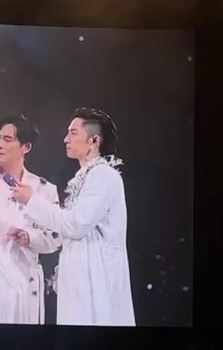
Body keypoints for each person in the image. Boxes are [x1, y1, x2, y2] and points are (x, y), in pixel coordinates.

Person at [11, 108, 135, 326]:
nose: (66, 139)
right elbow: (69, 231)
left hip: (97, 285)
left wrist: (32, 200)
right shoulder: (87, 177)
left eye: (73, 133)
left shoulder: (103, 175)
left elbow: (75, 225)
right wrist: (33, 238)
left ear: (94, 140)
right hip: (84, 284)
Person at [0, 115, 62, 324]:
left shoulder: (43, 189)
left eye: (7, 139)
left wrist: (30, 237)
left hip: (23, 275)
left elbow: (55, 237)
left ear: (26, 147)